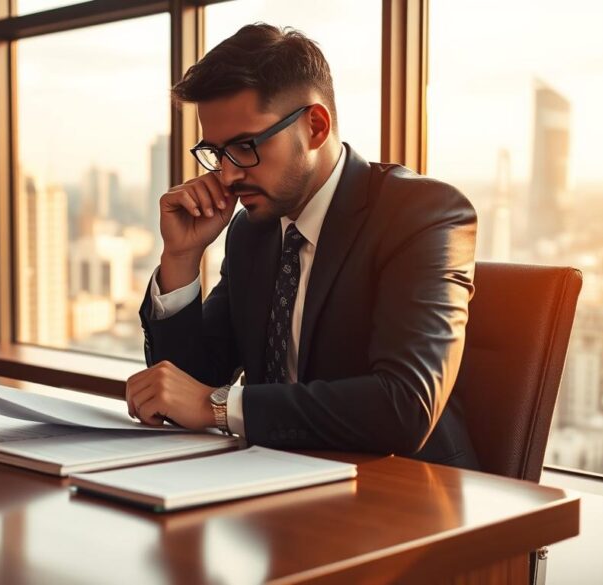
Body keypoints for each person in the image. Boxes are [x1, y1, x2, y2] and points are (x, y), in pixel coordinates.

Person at [125, 23, 480, 469]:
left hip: (406, 494)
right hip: (274, 489)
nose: (228, 175)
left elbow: (404, 405)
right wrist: (180, 258)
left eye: (245, 147)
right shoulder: (252, 232)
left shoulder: (422, 214)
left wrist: (220, 407)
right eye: (217, 153)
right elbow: (185, 389)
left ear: (315, 126)